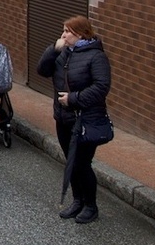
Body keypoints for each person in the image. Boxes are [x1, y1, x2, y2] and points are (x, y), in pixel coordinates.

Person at [37, 16, 111, 224]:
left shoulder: (96, 56)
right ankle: (77, 200)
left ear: (81, 34)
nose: (63, 35)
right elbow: (42, 70)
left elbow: (101, 87)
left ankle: (91, 206)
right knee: (71, 162)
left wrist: (73, 99)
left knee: (81, 163)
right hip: (63, 117)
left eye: (68, 31)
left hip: (85, 119)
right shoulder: (63, 53)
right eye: (63, 30)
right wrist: (54, 48)